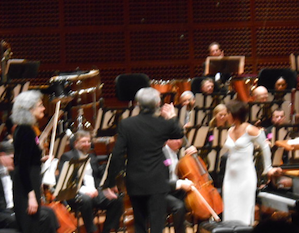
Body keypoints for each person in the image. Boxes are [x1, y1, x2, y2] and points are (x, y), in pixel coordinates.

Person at [102, 87, 184, 233]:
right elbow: (178, 132)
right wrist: (172, 116)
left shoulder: (127, 124)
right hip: (158, 179)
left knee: (139, 223)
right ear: (158, 103)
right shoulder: (163, 123)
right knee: (157, 224)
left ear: (137, 103)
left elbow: (117, 154)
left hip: (135, 179)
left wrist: (111, 182)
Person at [222, 99, 282, 225]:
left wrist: (268, 167)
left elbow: (265, 146)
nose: (226, 116)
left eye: (227, 113)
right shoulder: (229, 130)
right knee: (229, 207)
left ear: (235, 113)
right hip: (230, 177)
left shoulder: (250, 129)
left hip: (245, 177)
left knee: (244, 209)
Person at [11, 90, 59, 233]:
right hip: (26, 187)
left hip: (27, 183)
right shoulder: (26, 131)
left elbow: (23, 159)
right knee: (30, 227)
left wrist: (40, 159)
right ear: (29, 109)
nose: (43, 108)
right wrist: (31, 196)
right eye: (40, 105)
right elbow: (23, 167)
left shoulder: (24, 129)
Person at [57, 130, 123, 233]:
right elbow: (67, 181)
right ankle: (91, 230)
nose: (87, 144)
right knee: (86, 199)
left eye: (88, 141)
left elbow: (98, 173)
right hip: (77, 194)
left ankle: (107, 230)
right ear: (76, 143)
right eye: (83, 142)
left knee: (117, 200)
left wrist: (108, 182)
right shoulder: (67, 157)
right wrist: (85, 191)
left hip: (95, 192)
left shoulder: (91, 156)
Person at [163, 138, 195, 233]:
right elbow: (159, 182)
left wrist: (192, 156)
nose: (179, 141)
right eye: (175, 139)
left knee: (197, 200)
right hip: (162, 192)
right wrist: (180, 184)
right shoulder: (160, 154)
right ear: (167, 139)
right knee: (179, 206)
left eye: (180, 139)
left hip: (176, 189)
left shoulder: (177, 153)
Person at [0, 141, 17, 231]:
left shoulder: (12, 171)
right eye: (11, 158)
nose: (14, 161)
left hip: (12, 208)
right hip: (3, 212)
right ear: (2, 155)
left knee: (48, 213)